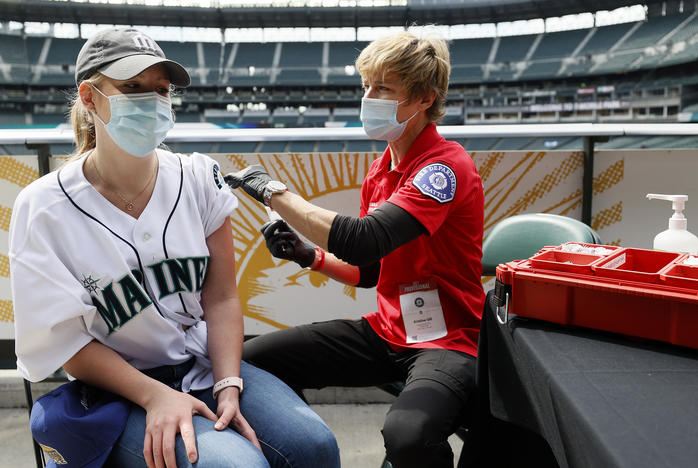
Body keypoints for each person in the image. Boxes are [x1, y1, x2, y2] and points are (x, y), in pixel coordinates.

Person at [10, 27, 339, 468]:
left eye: (161, 89)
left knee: (314, 448)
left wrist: (228, 383)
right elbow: (64, 343)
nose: (151, 100)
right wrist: (155, 396)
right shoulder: (43, 206)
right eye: (132, 87)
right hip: (118, 390)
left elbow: (221, 298)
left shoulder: (199, 176)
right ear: (90, 97)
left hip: (203, 364)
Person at [229, 31, 485, 468]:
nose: (369, 97)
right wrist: (306, 255)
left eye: (383, 88)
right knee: (251, 363)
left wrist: (273, 192)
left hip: (450, 342)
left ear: (424, 98)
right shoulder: (381, 168)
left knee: (408, 436)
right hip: (388, 331)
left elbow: (363, 238)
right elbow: (369, 269)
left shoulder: (444, 167)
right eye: (366, 86)